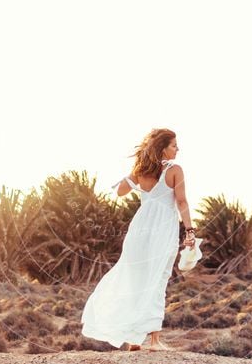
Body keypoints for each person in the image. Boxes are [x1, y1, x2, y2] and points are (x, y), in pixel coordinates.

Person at [81, 128, 196, 352]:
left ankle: (134, 340)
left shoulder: (141, 171)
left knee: (136, 281)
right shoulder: (175, 170)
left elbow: (121, 192)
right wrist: (190, 231)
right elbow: (182, 202)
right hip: (163, 230)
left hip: (139, 231)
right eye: (174, 145)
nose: (178, 149)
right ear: (163, 147)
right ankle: (154, 341)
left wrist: (135, 172)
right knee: (158, 280)